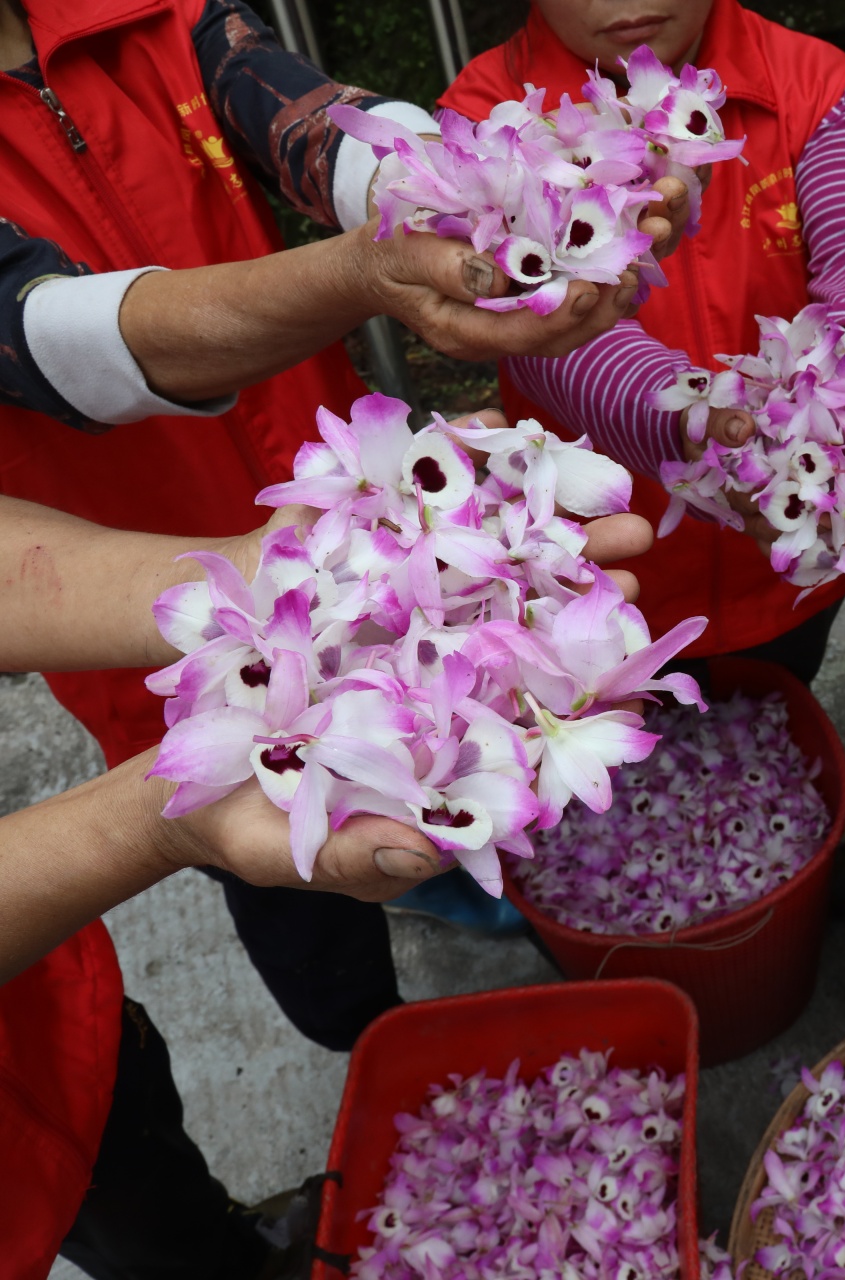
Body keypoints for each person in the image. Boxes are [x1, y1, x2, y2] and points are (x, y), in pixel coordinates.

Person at [0, 0, 686, 1046]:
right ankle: (358, 1026)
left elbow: (308, 120)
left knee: (448, 735)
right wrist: (362, 272)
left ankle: (456, 870)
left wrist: (459, 199)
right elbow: (42, 336)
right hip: (134, 602)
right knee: (249, 838)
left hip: (335, 495)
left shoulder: (130, 7)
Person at [0, 490, 656, 1279]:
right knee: (125, 1233)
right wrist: (145, 826)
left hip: (45, 1015)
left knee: (126, 1134)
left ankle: (237, 1243)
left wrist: (272, 578)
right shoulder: (276, 750)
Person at [439, 0, 845, 686]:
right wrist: (688, 420)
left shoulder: (818, 89)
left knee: (777, 700)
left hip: (783, 552)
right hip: (601, 573)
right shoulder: (487, 122)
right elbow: (550, 336)